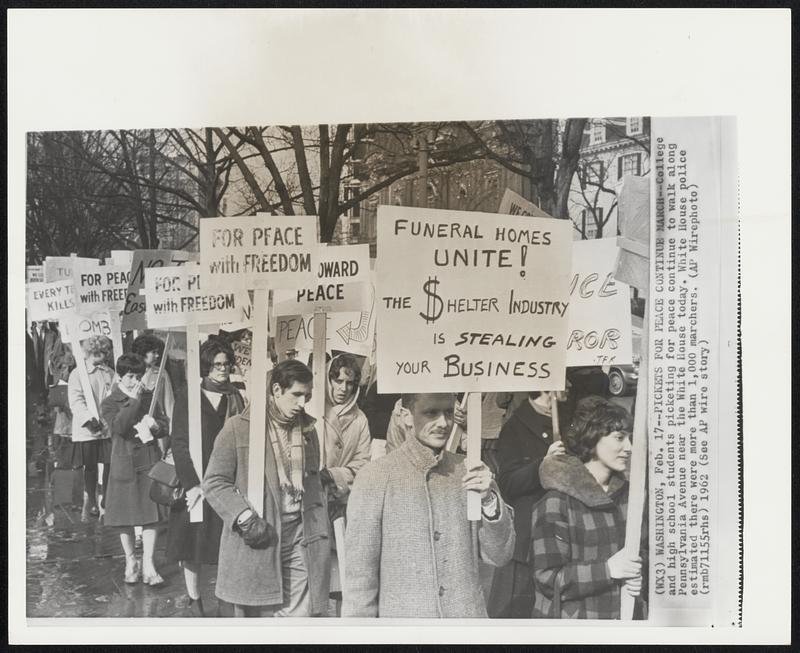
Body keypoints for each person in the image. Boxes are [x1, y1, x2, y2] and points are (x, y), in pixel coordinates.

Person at [342, 392, 515, 618]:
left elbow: (500, 555)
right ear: (406, 416)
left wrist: (489, 499)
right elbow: (360, 580)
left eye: (449, 413)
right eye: (431, 413)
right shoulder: (374, 477)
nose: (443, 423)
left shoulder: (469, 470)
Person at [202, 359, 331, 617]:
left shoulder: (308, 429)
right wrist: (244, 517)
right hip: (260, 534)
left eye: (307, 396)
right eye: (296, 395)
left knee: (298, 616)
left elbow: (312, 478)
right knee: (259, 616)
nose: (302, 403)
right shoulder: (238, 428)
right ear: (275, 391)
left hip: (299, 535)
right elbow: (215, 482)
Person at [530, 396, 644, 619]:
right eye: (619, 438)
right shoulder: (556, 502)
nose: (629, 447)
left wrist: (641, 572)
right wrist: (608, 570)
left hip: (623, 620)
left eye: (629, 438)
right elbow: (547, 578)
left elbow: (646, 552)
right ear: (592, 440)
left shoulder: (631, 496)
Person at [166, 338, 246, 617]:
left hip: (225, 480)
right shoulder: (189, 395)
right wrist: (192, 485)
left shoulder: (236, 396)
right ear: (206, 367)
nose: (223, 370)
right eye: (216, 365)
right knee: (193, 544)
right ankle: (194, 598)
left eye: (226, 364)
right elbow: (178, 442)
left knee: (225, 543)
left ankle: (226, 598)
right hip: (196, 480)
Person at [488, 385, 573, 618]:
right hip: (528, 541)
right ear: (549, 389)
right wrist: (543, 465)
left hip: (564, 533)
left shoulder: (568, 421)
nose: (570, 385)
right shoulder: (515, 427)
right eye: (564, 380)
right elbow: (507, 484)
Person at [101, 353, 169, 585]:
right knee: (124, 518)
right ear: (120, 376)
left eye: (139, 376)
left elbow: (164, 426)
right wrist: (135, 401)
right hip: (124, 463)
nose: (135, 381)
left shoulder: (150, 396)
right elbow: (119, 426)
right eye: (130, 376)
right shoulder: (110, 402)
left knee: (152, 516)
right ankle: (131, 560)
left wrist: (157, 426)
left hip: (148, 460)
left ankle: (149, 563)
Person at [320, 354, 371, 613]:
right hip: (314, 504)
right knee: (315, 575)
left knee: (343, 575)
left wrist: (334, 475)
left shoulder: (360, 419)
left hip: (343, 503)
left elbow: (363, 462)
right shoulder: (313, 411)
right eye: (337, 380)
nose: (343, 388)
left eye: (349, 383)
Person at [67, 335, 115, 521]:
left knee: (109, 462)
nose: (101, 357)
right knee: (90, 466)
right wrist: (89, 420)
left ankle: (107, 498)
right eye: (96, 353)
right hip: (88, 429)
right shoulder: (78, 374)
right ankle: (91, 499)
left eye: (103, 353)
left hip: (107, 425)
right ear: (88, 353)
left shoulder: (109, 372)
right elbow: (76, 400)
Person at [132, 333, 175, 436]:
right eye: (153, 352)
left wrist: (172, 432)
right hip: (134, 430)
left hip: (156, 428)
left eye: (158, 352)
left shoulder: (161, 374)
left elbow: (169, 405)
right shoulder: (127, 373)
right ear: (142, 353)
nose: (157, 355)